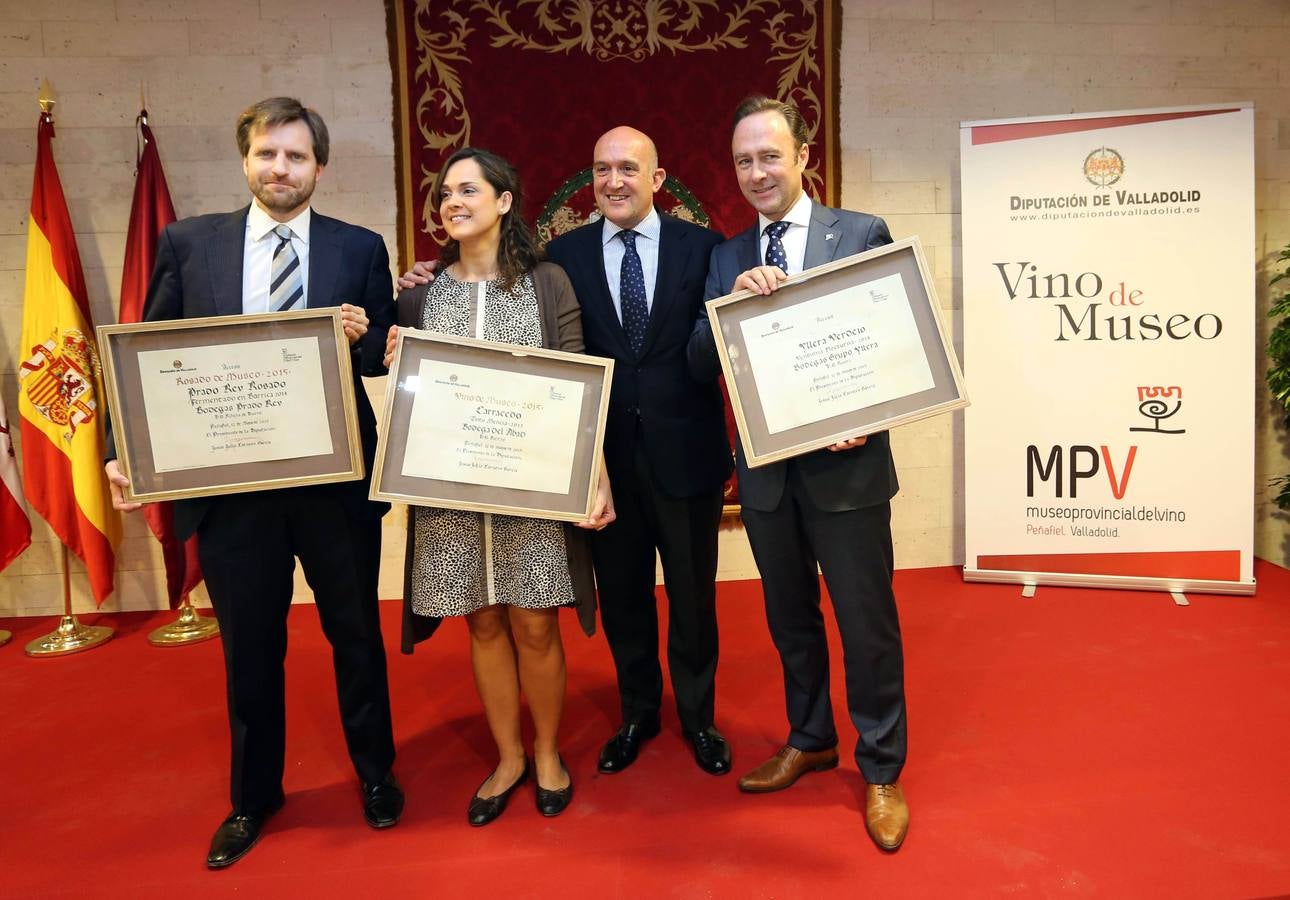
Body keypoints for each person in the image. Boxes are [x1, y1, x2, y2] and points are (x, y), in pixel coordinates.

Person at [104, 97, 402, 869]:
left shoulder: (358, 247)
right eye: (268, 154)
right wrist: (124, 451)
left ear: (319, 168)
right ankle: (253, 796)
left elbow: (377, 362)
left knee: (355, 636)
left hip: (334, 485)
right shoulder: (189, 245)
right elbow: (147, 358)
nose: (281, 169)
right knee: (250, 649)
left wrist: (367, 339)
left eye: (297, 157)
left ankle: (377, 775)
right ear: (246, 160)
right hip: (233, 492)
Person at [401, 127, 732, 778]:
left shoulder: (705, 247)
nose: (613, 180)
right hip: (602, 461)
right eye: (601, 168)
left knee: (693, 597)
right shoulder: (565, 256)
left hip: (684, 452)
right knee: (625, 596)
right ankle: (638, 711)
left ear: (657, 180)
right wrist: (422, 277)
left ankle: (699, 717)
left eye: (628, 169)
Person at [688, 95, 911, 851]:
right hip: (768, 477)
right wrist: (725, 306)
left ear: (802, 156)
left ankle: (881, 768)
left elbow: (893, 345)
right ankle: (811, 736)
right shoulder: (725, 256)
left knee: (866, 625)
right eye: (744, 159)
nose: (756, 171)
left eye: (769, 155)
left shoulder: (859, 232)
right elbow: (695, 358)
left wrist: (870, 414)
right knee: (791, 623)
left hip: (847, 472)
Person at [390, 147, 615, 826]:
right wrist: (397, 356)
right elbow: (406, 385)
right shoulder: (421, 293)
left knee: (535, 624)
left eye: (467, 189)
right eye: (444, 195)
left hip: (532, 490)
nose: (452, 203)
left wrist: (594, 475)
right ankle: (508, 756)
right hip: (452, 496)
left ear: (505, 200)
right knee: (482, 620)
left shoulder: (548, 284)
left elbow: (581, 385)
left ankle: (547, 752)